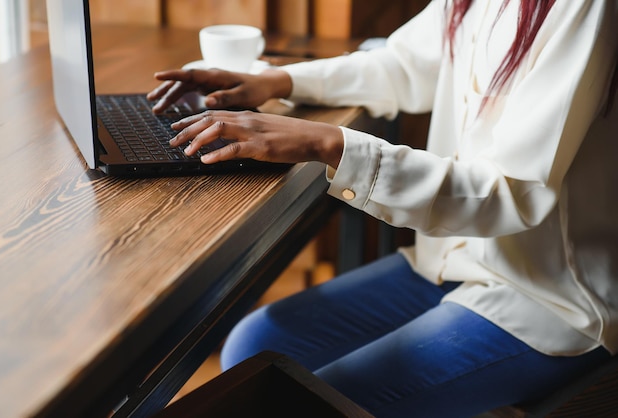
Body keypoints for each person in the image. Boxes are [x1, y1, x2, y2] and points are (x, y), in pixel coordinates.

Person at [148, 1, 618, 416]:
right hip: (453, 260)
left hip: (547, 297)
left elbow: (510, 194)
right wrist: (275, 80)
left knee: (304, 400)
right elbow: (405, 65)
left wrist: (328, 142)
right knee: (256, 345)